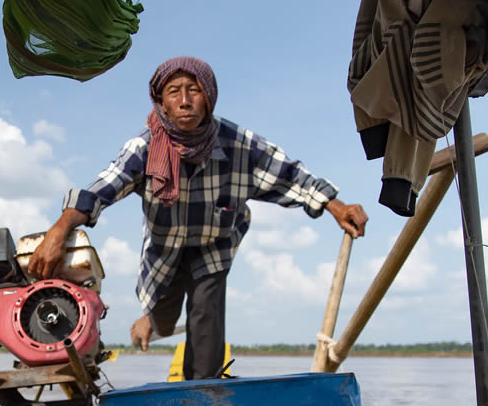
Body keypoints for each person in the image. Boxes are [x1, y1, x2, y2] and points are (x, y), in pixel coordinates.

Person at [27, 56, 368, 380]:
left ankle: (201, 395)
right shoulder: (144, 148)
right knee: (163, 316)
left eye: (194, 90)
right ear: (161, 102)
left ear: (209, 99)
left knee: (206, 322)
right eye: (174, 92)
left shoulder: (239, 144)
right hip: (165, 251)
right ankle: (148, 322)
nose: (185, 100)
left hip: (214, 245)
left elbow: (290, 175)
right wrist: (58, 230)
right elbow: (101, 189)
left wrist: (335, 206)